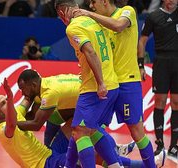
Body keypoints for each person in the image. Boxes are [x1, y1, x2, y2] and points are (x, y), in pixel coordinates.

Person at [0, 78, 166, 168]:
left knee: (76, 122)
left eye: (6, 98)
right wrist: (12, 98)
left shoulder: (17, 112)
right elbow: (13, 125)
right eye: (4, 103)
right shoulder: (2, 129)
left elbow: (27, 98)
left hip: (50, 151)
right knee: (92, 155)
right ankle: (143, 164)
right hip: (45, 164)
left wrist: (34, 83)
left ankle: (114, 150)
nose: (8, 101)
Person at [72, 0, 157, 166]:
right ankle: (115, 163)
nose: (91, 6)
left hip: (127, 83)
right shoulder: (99, 23)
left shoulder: (127, 11)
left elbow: (118, 26)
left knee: (136, 131)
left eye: (93, 2)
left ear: (104, 1)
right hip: (109, 84)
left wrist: (89, 14)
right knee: (89, 128)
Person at [55, 0, 123, 167]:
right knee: (85, 129)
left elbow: (90, 52)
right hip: (111, 81)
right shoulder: (93, 19)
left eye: (59, 16)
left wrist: (100, 83)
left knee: (80, 132)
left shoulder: (72, 28)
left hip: (95, 87)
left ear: (63, 12)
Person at [138, 0, 178, 158]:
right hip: (161, 62)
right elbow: (142, 40)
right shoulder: (153, 16)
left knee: (176, 102)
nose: (172, 0)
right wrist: (141, 65)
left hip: (177, 62)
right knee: (159, 101)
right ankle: (160, 143)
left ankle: (174, 145)